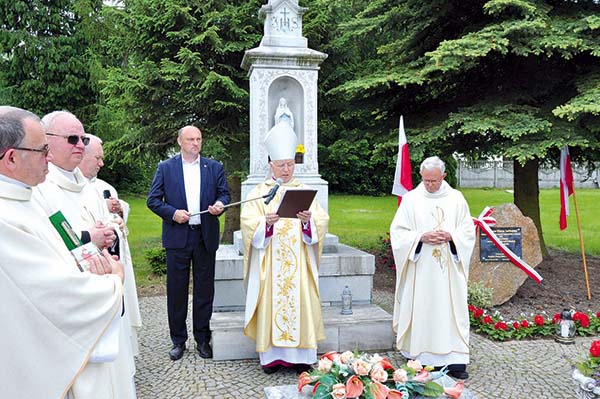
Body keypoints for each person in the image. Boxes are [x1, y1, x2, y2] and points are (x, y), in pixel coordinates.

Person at [0, 106, 125, 398]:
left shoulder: (29, 197)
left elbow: (65, 250)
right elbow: (51, 293)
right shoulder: (5, 217)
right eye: (42, 149)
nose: (49, 157)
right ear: (12, 158)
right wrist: (112, 281)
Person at [32, 110, 137, 398]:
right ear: (47, 142)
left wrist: (110, 233)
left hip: (106, 290)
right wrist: (91, 237)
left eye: (83, 138)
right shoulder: (40, 187)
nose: (80, 144)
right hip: (77, 302)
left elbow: (107, 227)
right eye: (72, 138)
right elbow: (48, 242)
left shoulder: (88, 186)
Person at [240, 123, 329, 374]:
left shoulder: (304, 191)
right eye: (281, 165)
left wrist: (308, 221)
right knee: (273, 303)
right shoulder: (259, 193)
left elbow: (320, 221)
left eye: (290, 164)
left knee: (300, 301)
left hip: (299, 259)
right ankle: (272, 359)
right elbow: (248, 224)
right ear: (271, 165)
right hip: (270, 260)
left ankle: (302, 358)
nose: (287, 169)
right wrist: (264, 225)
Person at [147, 125, 230, 361]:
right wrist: (173, 213)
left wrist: (220, 205)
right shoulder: (166, 167)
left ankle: (202, 339)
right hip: (177, 237)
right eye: (191, 139)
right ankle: (178, 340)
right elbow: (153, 200)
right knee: (177, 291)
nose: (195, 143)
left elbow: (224, 194)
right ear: (180, 141)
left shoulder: (214, 167)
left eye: (199, 139)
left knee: (204, 290)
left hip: (205, 236)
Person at [390, 156, 476, 380]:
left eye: (435, 181)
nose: (430, 185)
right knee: (423, 308)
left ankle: (455, 360)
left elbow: (467, 231)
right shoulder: (411, 199)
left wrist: (451, 236)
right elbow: (398, 233)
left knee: (450, 310)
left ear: (444, 176)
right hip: (422, 269)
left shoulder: (456, 199)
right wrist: (421, 237)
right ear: (421, 176)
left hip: (448, 271)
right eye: (427, 181)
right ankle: (421, 357)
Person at [80, 135, 142, 356]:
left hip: (117, 259)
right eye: (97, 158)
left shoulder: (104, 186)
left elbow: (120, 213)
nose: (101, 163)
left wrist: (119, 210)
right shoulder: (74, 189)